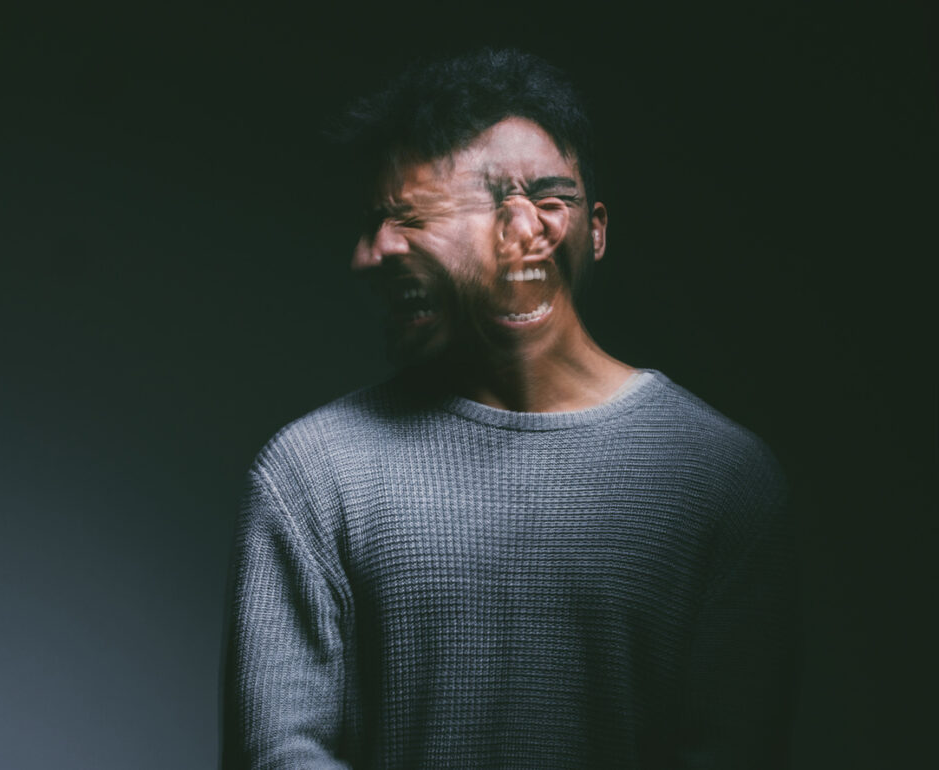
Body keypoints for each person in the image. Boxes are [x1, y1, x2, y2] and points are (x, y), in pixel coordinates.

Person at [222, 49, 798, 769]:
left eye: (409, 218)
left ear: (537, 227)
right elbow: (279, 752)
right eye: (374, 221)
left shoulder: (722, 481)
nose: (370, 255)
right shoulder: (313, 473)